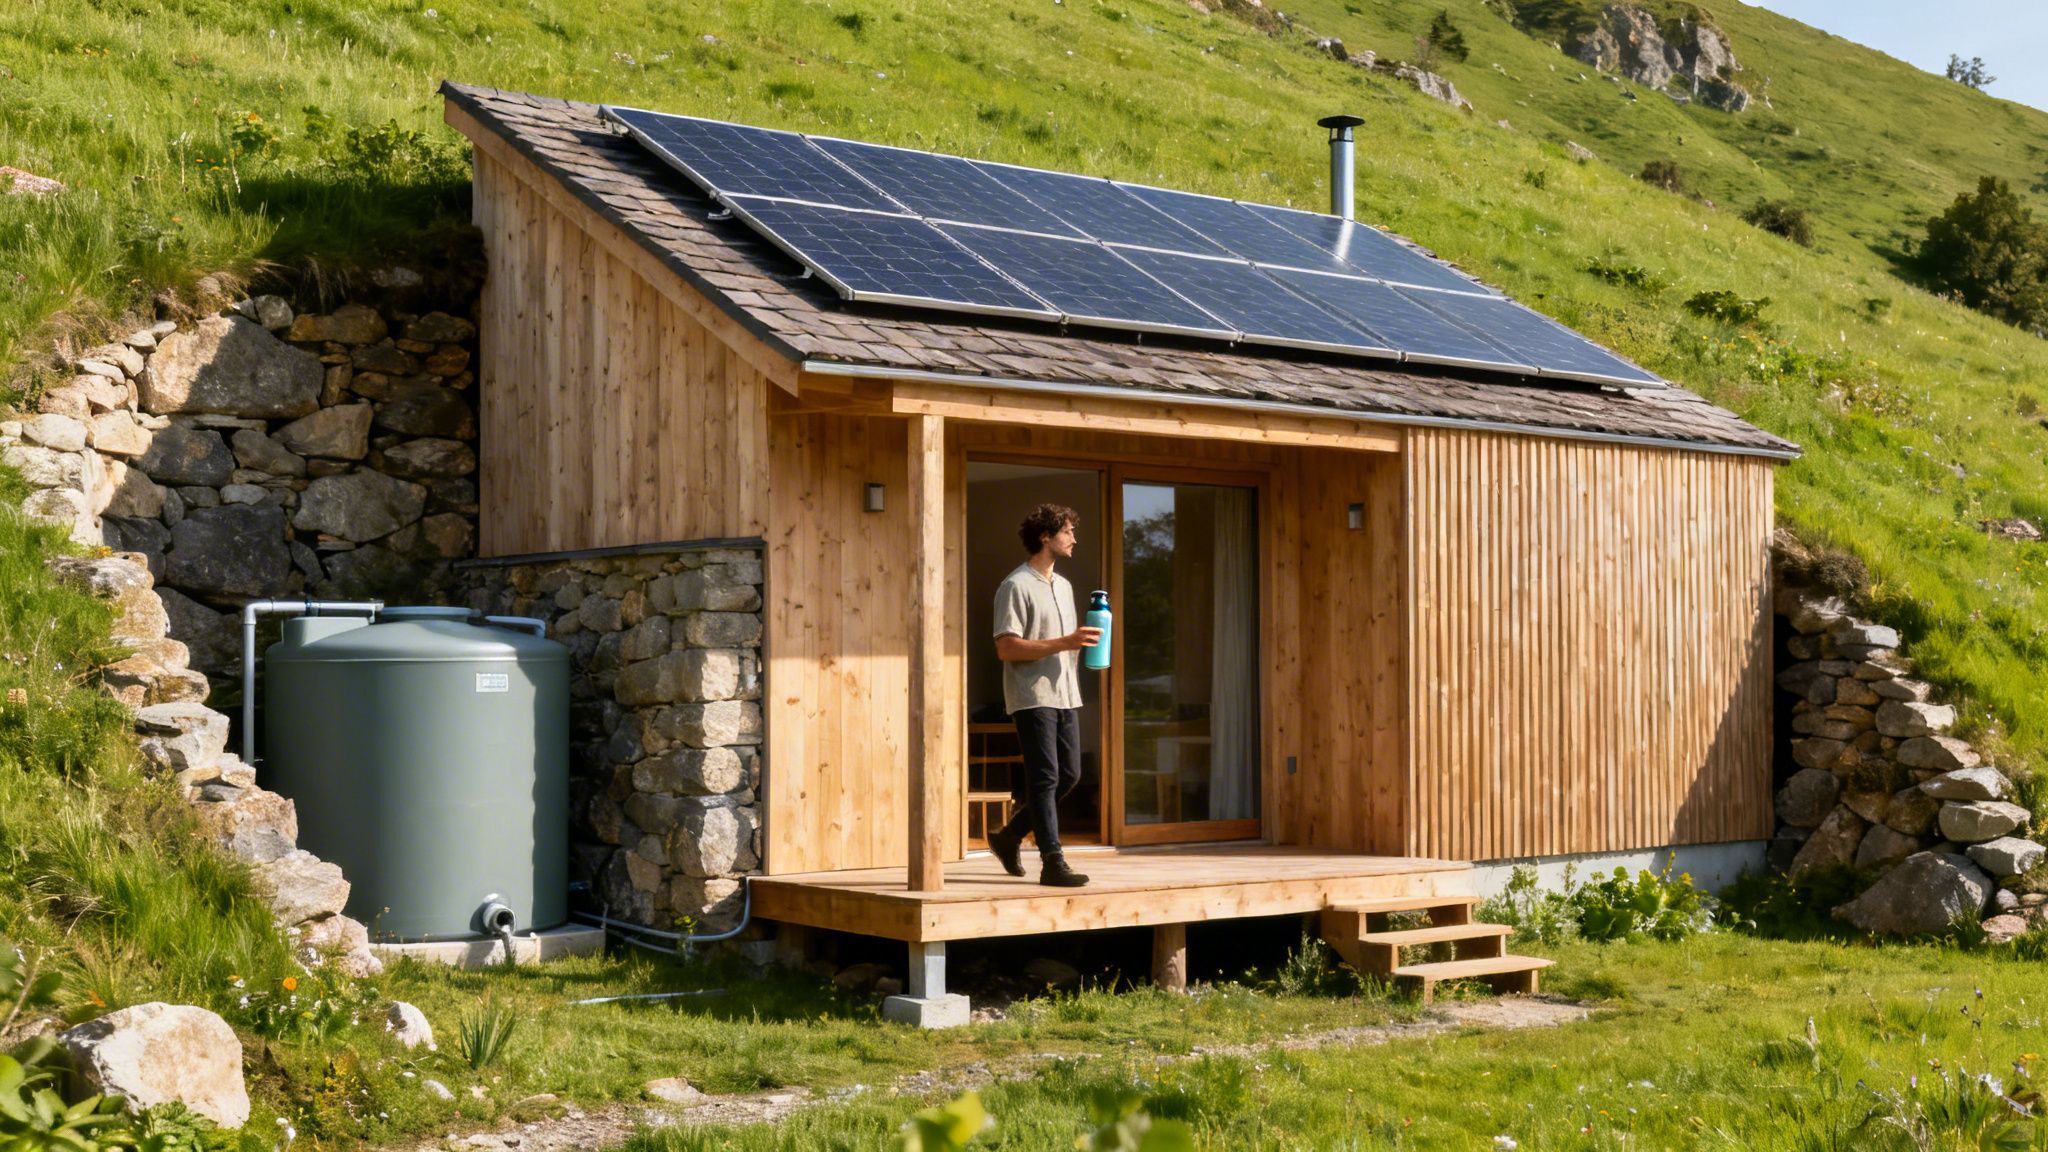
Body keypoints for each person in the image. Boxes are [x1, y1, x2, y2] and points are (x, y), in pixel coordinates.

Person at [987, 503, 1101, 888]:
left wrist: (1079, 645)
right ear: (1045, 536)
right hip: (1032, 695)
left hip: (1066, 693)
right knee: (1045, 777)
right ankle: (1053, 861)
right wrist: (1066, 641)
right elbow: (1007, 648)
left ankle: (1009, 836)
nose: (1074, 539)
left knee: (1069, 774)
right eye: (1067, 531)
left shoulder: (1063, 586)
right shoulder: (1015, 586)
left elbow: (1064, 642)